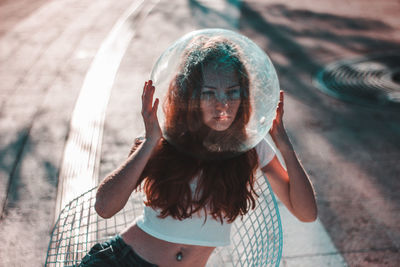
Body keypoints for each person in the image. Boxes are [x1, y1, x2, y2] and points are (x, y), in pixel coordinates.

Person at [79, 36, 317, 267]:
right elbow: (104, 207)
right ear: (190, 97)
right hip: (124, 261)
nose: (222, 104)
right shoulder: (164, 141)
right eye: (209, 93)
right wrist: (150, 143)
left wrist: (285, 146)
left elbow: (306, 213)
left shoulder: (249, 148)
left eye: (232, 92)